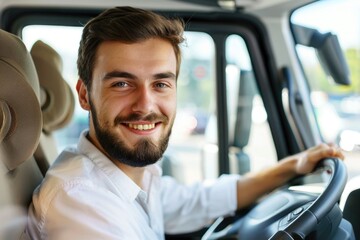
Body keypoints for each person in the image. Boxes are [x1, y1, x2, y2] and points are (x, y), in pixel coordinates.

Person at [25, 6, 344, 240]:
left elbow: (201, 199)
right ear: (84, 95)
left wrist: (293, 166)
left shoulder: (130, 176)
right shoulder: (80, 204)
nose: (145, 106)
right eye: (122, 84)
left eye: (161, 84)